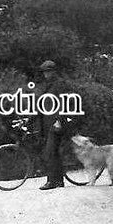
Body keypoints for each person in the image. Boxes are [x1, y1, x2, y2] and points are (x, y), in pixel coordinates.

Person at [37, 59, 76, 190]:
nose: (46, 74)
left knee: (50, 152)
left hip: (57, 123)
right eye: (44, 72)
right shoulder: (46, 86)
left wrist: (59, 120)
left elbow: (64, 103)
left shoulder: (60, 85)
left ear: (53, 71)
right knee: (53, 152)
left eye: (48, 72)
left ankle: (51, 181)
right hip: (47, 123)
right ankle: (58, 181)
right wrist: (29, 119)